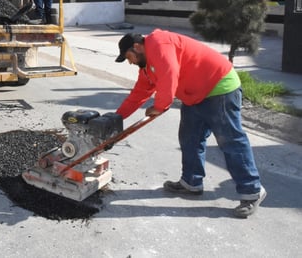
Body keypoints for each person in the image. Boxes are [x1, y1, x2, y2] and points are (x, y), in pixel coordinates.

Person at [114, 30, 266, 218]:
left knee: (231, 142)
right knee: (190, 138)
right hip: (195, 96)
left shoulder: (159, 44)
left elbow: (169, 74)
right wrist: (116, 118)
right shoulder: (147, 66)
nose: (130, 62)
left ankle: (252, 191)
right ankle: (191, 182)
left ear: (136, 47)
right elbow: (139, 93)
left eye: (129, 57)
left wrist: (160, 106)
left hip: (219, 87)